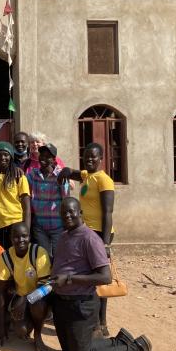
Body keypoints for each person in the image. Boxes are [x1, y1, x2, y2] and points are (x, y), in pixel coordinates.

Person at [50, 198, 152, 351]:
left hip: (81, 304)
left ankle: (136, 348)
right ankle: (120, 341)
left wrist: (69, 278)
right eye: (63, 213)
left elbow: (105, 277)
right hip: (62, 304)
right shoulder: (64, 237)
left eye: (71, 211)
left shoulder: (90, 239)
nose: (67, 216)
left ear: (81, 213)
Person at [58, 142, 115, 336]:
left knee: (99, 277)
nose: (89, 159)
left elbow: (108, 212)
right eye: (86, 156)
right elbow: (72, 172)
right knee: (88, 277)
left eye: (94, 156)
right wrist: (64, 171)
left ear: (101, 159)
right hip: (86, 233)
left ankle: (102, 323)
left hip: (99, 234)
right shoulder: (86, 176)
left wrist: (105, 243)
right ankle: (93, 320)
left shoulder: (104, 180)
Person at [0, 222, 51, 351]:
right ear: (11, 238)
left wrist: (25, 300)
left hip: (40, 298)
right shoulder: (6, 257)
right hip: (21, 298)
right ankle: (27, 321)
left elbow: (47, 286)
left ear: (29, 237)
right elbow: (0, 292)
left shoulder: (38, 253)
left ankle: (38, 336)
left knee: (37, 305)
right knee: (21, 332)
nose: (20, 240)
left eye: (24, 236)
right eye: (16, 237)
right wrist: (1, 326)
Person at [0, 142, 30, 249]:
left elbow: (26, 207)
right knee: (0, 259)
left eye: (6, 154)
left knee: (15, 258)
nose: (2, 157)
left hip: (16, 224)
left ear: (11, 157)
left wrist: (26, 230)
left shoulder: (19, 177)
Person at [26, 143, 69, 258]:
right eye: (41, 155)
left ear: (54, 159)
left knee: (58, 257)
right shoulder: (33, 175)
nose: (43, 158)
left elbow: (66, 200)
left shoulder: (60, 175)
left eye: (47, 156)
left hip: (58, 226)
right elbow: (21, 183)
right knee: (43, 258)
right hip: (40, 227)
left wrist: (66, 224)